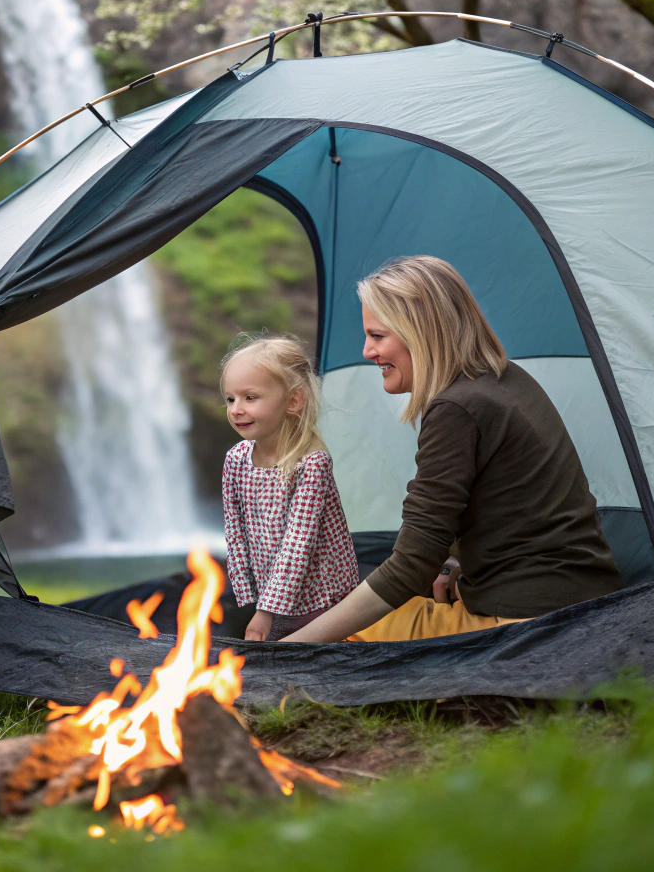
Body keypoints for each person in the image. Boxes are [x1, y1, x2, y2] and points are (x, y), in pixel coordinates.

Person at [283, 256, 623, 644]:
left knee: (345, 632)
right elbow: (511, 511)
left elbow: (410, 566)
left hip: (531, 621)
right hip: (581, 595)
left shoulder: (457, 407)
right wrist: (453, 564)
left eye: (377, 336)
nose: (367, 351)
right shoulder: (502, 379)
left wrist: (289, 652)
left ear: (419, 332)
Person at [221, 334, 360, 642]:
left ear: (293, 401)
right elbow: (235, 532)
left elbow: (298, 544)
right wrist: (247, 596)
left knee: (317, 661)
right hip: (271, 599)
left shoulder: (311, 463)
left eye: (250, 397)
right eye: (230, 399)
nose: (236, 409)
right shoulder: (236, 459)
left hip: (321, 600)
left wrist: (265, 611)